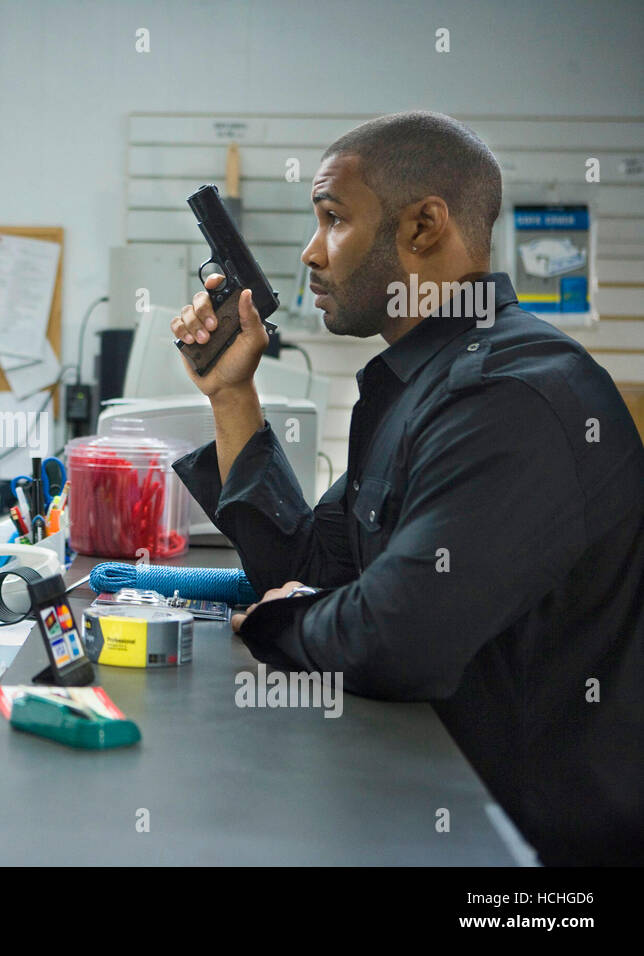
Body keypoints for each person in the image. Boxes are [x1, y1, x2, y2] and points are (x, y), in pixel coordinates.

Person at [170, 111, 643, 865]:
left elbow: (399, 636)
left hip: (529, 853)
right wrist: (232, 395)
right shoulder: (421, 385)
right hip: (432, 794)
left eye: (332, 219)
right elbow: (316, 570)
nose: (310, 251)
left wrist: (280, 622)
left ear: (424, 226)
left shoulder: (507, 396)